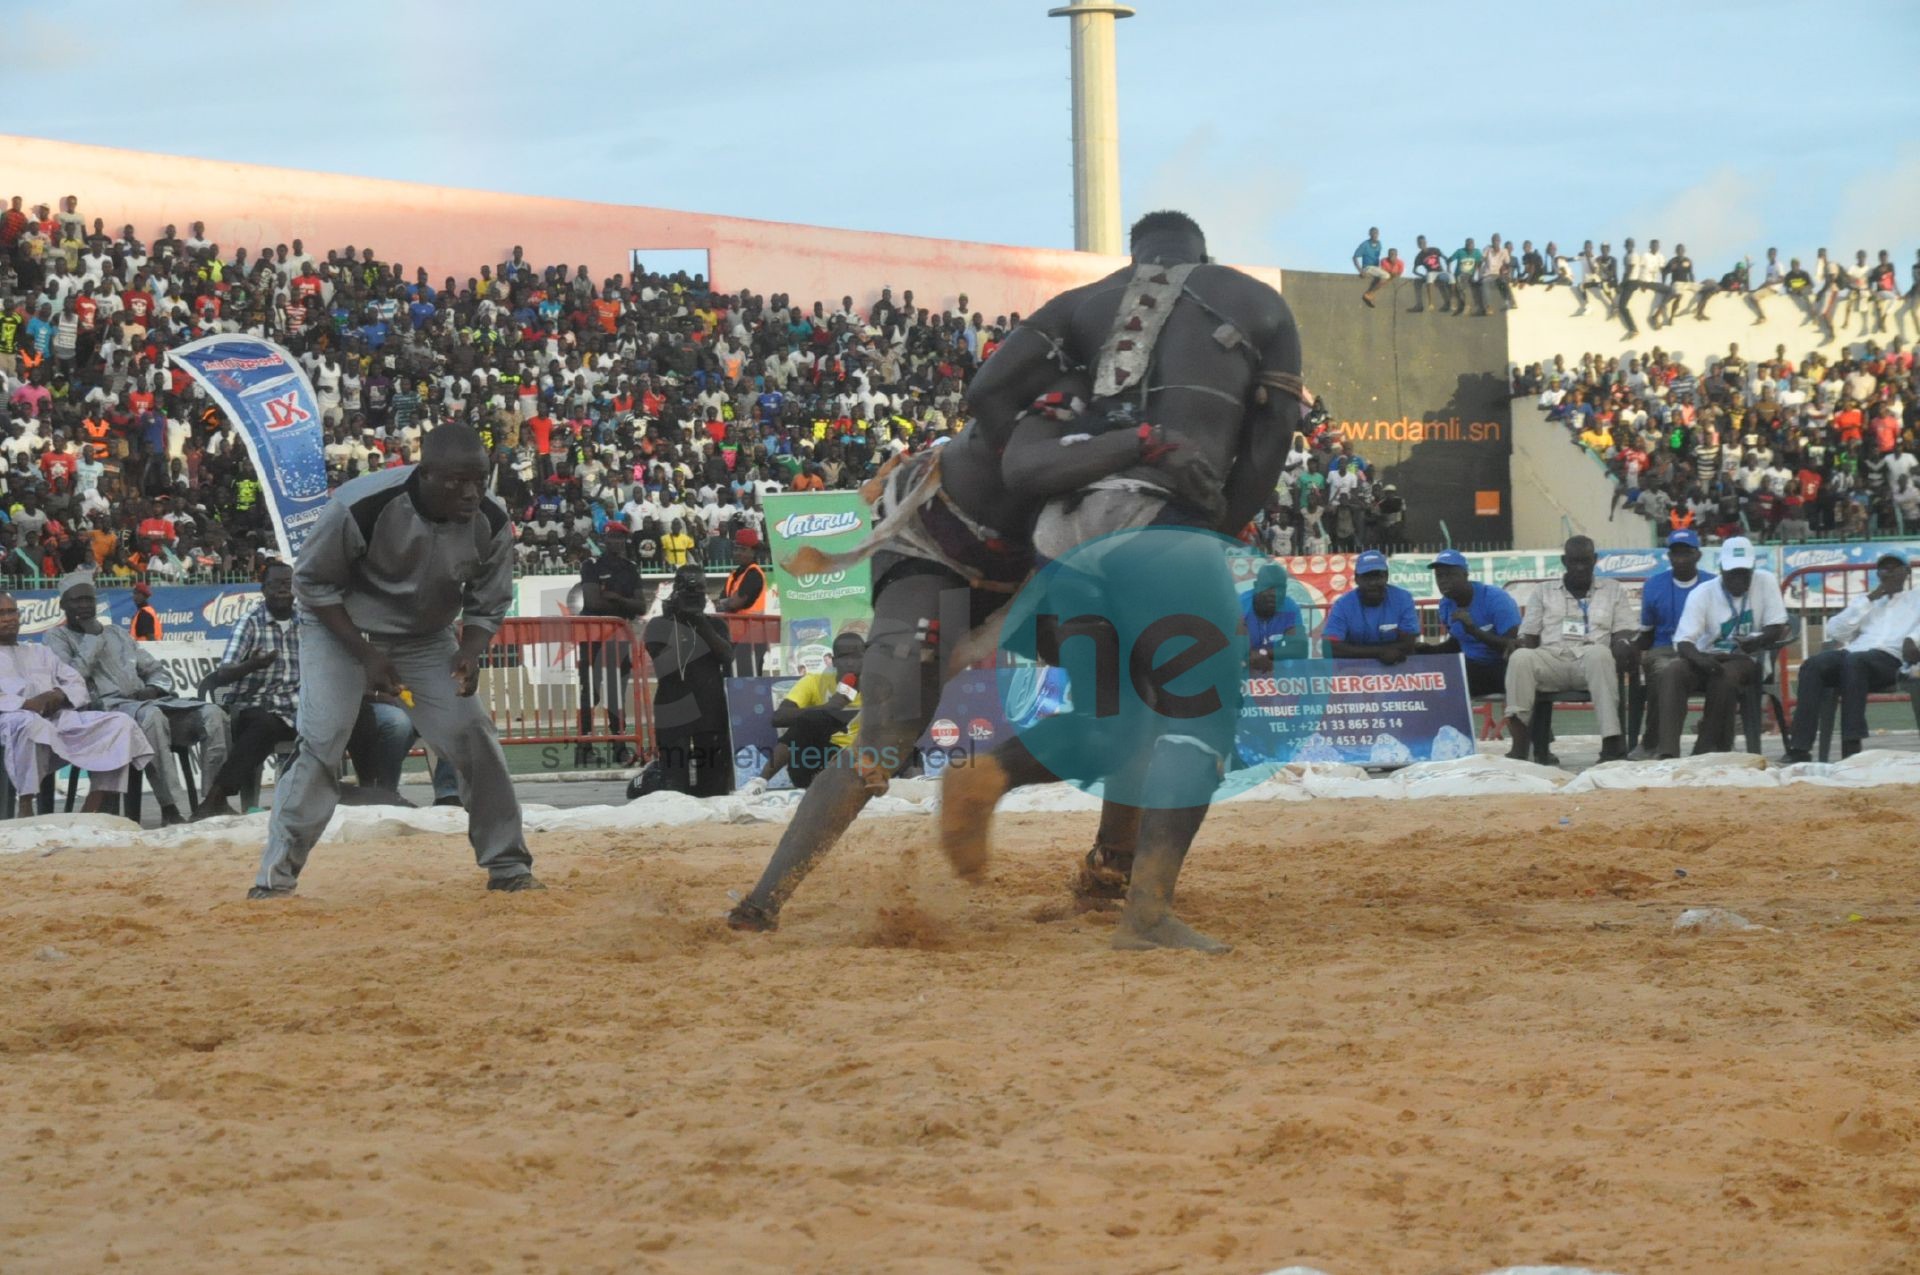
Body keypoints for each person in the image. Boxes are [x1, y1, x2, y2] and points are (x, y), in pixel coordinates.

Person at [940, 209, 1304, 952]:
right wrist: (1213, 528)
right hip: (1163, 523)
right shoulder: (1255, 301)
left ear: (1135, 255)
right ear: (1202, 252)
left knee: (1116, 722)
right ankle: (1146, 912)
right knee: (1201, 718)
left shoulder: (1084, 305)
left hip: (1063, 531)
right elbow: (1272, 439)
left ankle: (993, 772)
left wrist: (1059, 463)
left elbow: (985, 393)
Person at [251, 424, 540, 898]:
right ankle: (274, 879)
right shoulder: (361, 504)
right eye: (458, 482)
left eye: (480, 480)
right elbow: (312, 585)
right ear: (425, 474)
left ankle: (508, 866)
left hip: (426, 640)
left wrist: (469, 650)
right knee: (322, 741)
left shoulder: (492, 518)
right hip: (340, 631)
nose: (471, 493)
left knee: (474, 735)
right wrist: (366, 655)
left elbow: (489, 601)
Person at [45, 573, 230, 824]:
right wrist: (92, 638)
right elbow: (71, 679)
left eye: (89, 599)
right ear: (63, 605)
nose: (85, 606)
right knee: (151, 718)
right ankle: (171, 809)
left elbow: (156, 670)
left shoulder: (117, 633)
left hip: (147, 703)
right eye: (77, 601)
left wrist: (153, 688)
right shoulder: (57, 638)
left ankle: (213, 801)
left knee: (212, 714)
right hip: (106, 712)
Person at [0, 591, 154, 815]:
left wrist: (59, 695)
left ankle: (93, 805)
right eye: (1, 613)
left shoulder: (39, 652)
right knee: (29, 724)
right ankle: (25, 805)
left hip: (56, 718)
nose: (8, 618)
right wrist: (25, 704)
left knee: (120, 723)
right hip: (11, 719)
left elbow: (75, 681)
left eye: (11, 611)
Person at [1503, 536, 1634, 764]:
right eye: (1574, 561)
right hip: (1552, 659)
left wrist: (1623, 643)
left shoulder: (1613, 590)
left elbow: (1624, 630)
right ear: (1564, 561)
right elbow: (1529, 634)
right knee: (1521, 658)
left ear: (1595, 560)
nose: (1580, 567)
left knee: (1600, 653)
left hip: (1592, 661)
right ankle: (1520, 743)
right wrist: (1520, 644)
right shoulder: (1543, 591)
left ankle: (1611, 744)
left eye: (1585, 561)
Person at [1782, 553, 1920, 762]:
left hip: (1892, 658)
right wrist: (1869, 600)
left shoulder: (1916, 598)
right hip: (1855, 655)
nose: (1889, 572)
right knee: (1813, 665)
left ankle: (1851, 745)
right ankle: (1799, 748)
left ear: (1907, 572)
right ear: (1878, 573)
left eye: (1894, 568)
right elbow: (1836, 631)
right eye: (1884, 568)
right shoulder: (1866, 601)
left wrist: (1914, 639)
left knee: (1856, 661)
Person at [1660, 536, 1786, 758]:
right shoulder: (1702, 593)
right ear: (1721, 569)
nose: (1738, 580)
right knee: (1673, 671)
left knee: (1725, 675)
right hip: (1707, 657)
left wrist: (1756, 640)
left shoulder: (1766, 582)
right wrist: (1700, 660)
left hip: (1747, 659)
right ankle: (1668, 752)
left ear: (1753, 569)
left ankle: (1706, 748)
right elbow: (1683, 641)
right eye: (1732, 574)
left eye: (1744, 573)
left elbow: (1777, 627)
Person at [193, 562, 299, 818]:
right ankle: (216, 798)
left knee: (335, 717)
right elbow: (223, 673)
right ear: (263, 590)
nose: (283, 590)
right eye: (275, 585)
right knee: (263, 725)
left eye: (288, 584)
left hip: (297, 707)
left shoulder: (307, 621)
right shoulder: (250, 622)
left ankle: (359, 794)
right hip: (253, 706)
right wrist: (253, 664)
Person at [642, 564, 734, 796]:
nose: (693, 597)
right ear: (676, 591)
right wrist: (679, 619)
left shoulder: (716, 625)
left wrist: (700, 622)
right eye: (687, 591)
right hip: (673, 706)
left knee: (714, 786)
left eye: (699, 591)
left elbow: (726, 656)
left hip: (710, 708)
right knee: (675, 785)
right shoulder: (658, 625)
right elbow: (665, 664)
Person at [1629, 530, 1715, 760]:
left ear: (1698, 555)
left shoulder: (1712, 583)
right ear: (1668, 556)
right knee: (1663, 670)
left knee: (1721, 669)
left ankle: (1713, 739)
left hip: (1703, 647)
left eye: (1686, 553)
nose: (1680, 559)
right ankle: (1653, 741)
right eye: (1675, 553)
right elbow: (1646, 633)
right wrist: (1631, 647)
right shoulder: (1654, 585)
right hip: (1664, 648)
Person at [753, 632, 864, 792]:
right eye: (845, 657)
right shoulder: (814, 681)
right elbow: (778, 717)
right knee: (812, 719)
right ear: (833, 662)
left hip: (857, 759)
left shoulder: (878, 688)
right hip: (812, 760)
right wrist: (826, 709)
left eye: (857, 657)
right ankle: (760, 782)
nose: (851, 663)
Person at [575, 521, 646, 766]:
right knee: (590, 692)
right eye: (612, 537)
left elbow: (642, 606)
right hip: (593, 636)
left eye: (621, 537)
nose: (617, 541)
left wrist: (615, 597)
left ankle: (620, 746)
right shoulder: (591, 565)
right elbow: (592, 601)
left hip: (618, 637)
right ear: (605, 539)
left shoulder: (630, 568)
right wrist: (625, 604)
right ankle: (584, 747)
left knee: (617, 693)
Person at [1423, 548, 1520, 696]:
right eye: (1439, 576)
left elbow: (1511, 647)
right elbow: (1457, 642)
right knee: (1430, 681)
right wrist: (1428, 650)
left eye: (1450, 574)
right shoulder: (1445, 604)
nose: (1443, 580)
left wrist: (1474, 630)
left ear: (1465, 574)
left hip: (1504, 667)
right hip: (1472, 667)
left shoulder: (1496, 599)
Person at [1322, 550, 1419, 663]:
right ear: (1357, 579)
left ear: (1387, 576)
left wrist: (1373, 652)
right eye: (1367, 577)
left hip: (1396, 668)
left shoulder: (1403, 598)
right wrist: (1379, 652)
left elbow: (1409, 643)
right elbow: (1329, 648)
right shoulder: (1342, 604)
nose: (1372, 583)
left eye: (1377, 576)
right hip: (1352, 671)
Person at [713, 534, 770, 677]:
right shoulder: (735, 574)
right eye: (736, 549)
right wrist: (725, 603)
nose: (737, 553)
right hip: (733, 637)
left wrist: (725, 603)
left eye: (743, 549)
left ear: (753, 552)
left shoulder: (754, 574)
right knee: (730, 678)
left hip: (751, 638)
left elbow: (734, 603)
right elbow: (722, 602)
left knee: (748, 679)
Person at [1243, 562, 1305, 671]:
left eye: (1280, 588)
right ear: (1256, 587)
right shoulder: (1241, 606)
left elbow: (1300, 649)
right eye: (1269, 587)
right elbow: (1234, 648)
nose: (1274, 593)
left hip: (1276, 672)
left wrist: (1263, 653)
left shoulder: (1290, 607)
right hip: (1243, 670)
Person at [1354, 227, 1390, 308]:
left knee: (1386, 276)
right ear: (1370, 234)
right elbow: (1355, 257)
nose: (1375, 235)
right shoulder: (1364, 245)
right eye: (1373, 233)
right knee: (1386, 276)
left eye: (1376, 233)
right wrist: (1360, 271)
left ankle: (1370, 295)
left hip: (1375, 268)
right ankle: (1369, 294)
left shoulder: (1379, 244)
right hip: (1367, 267)